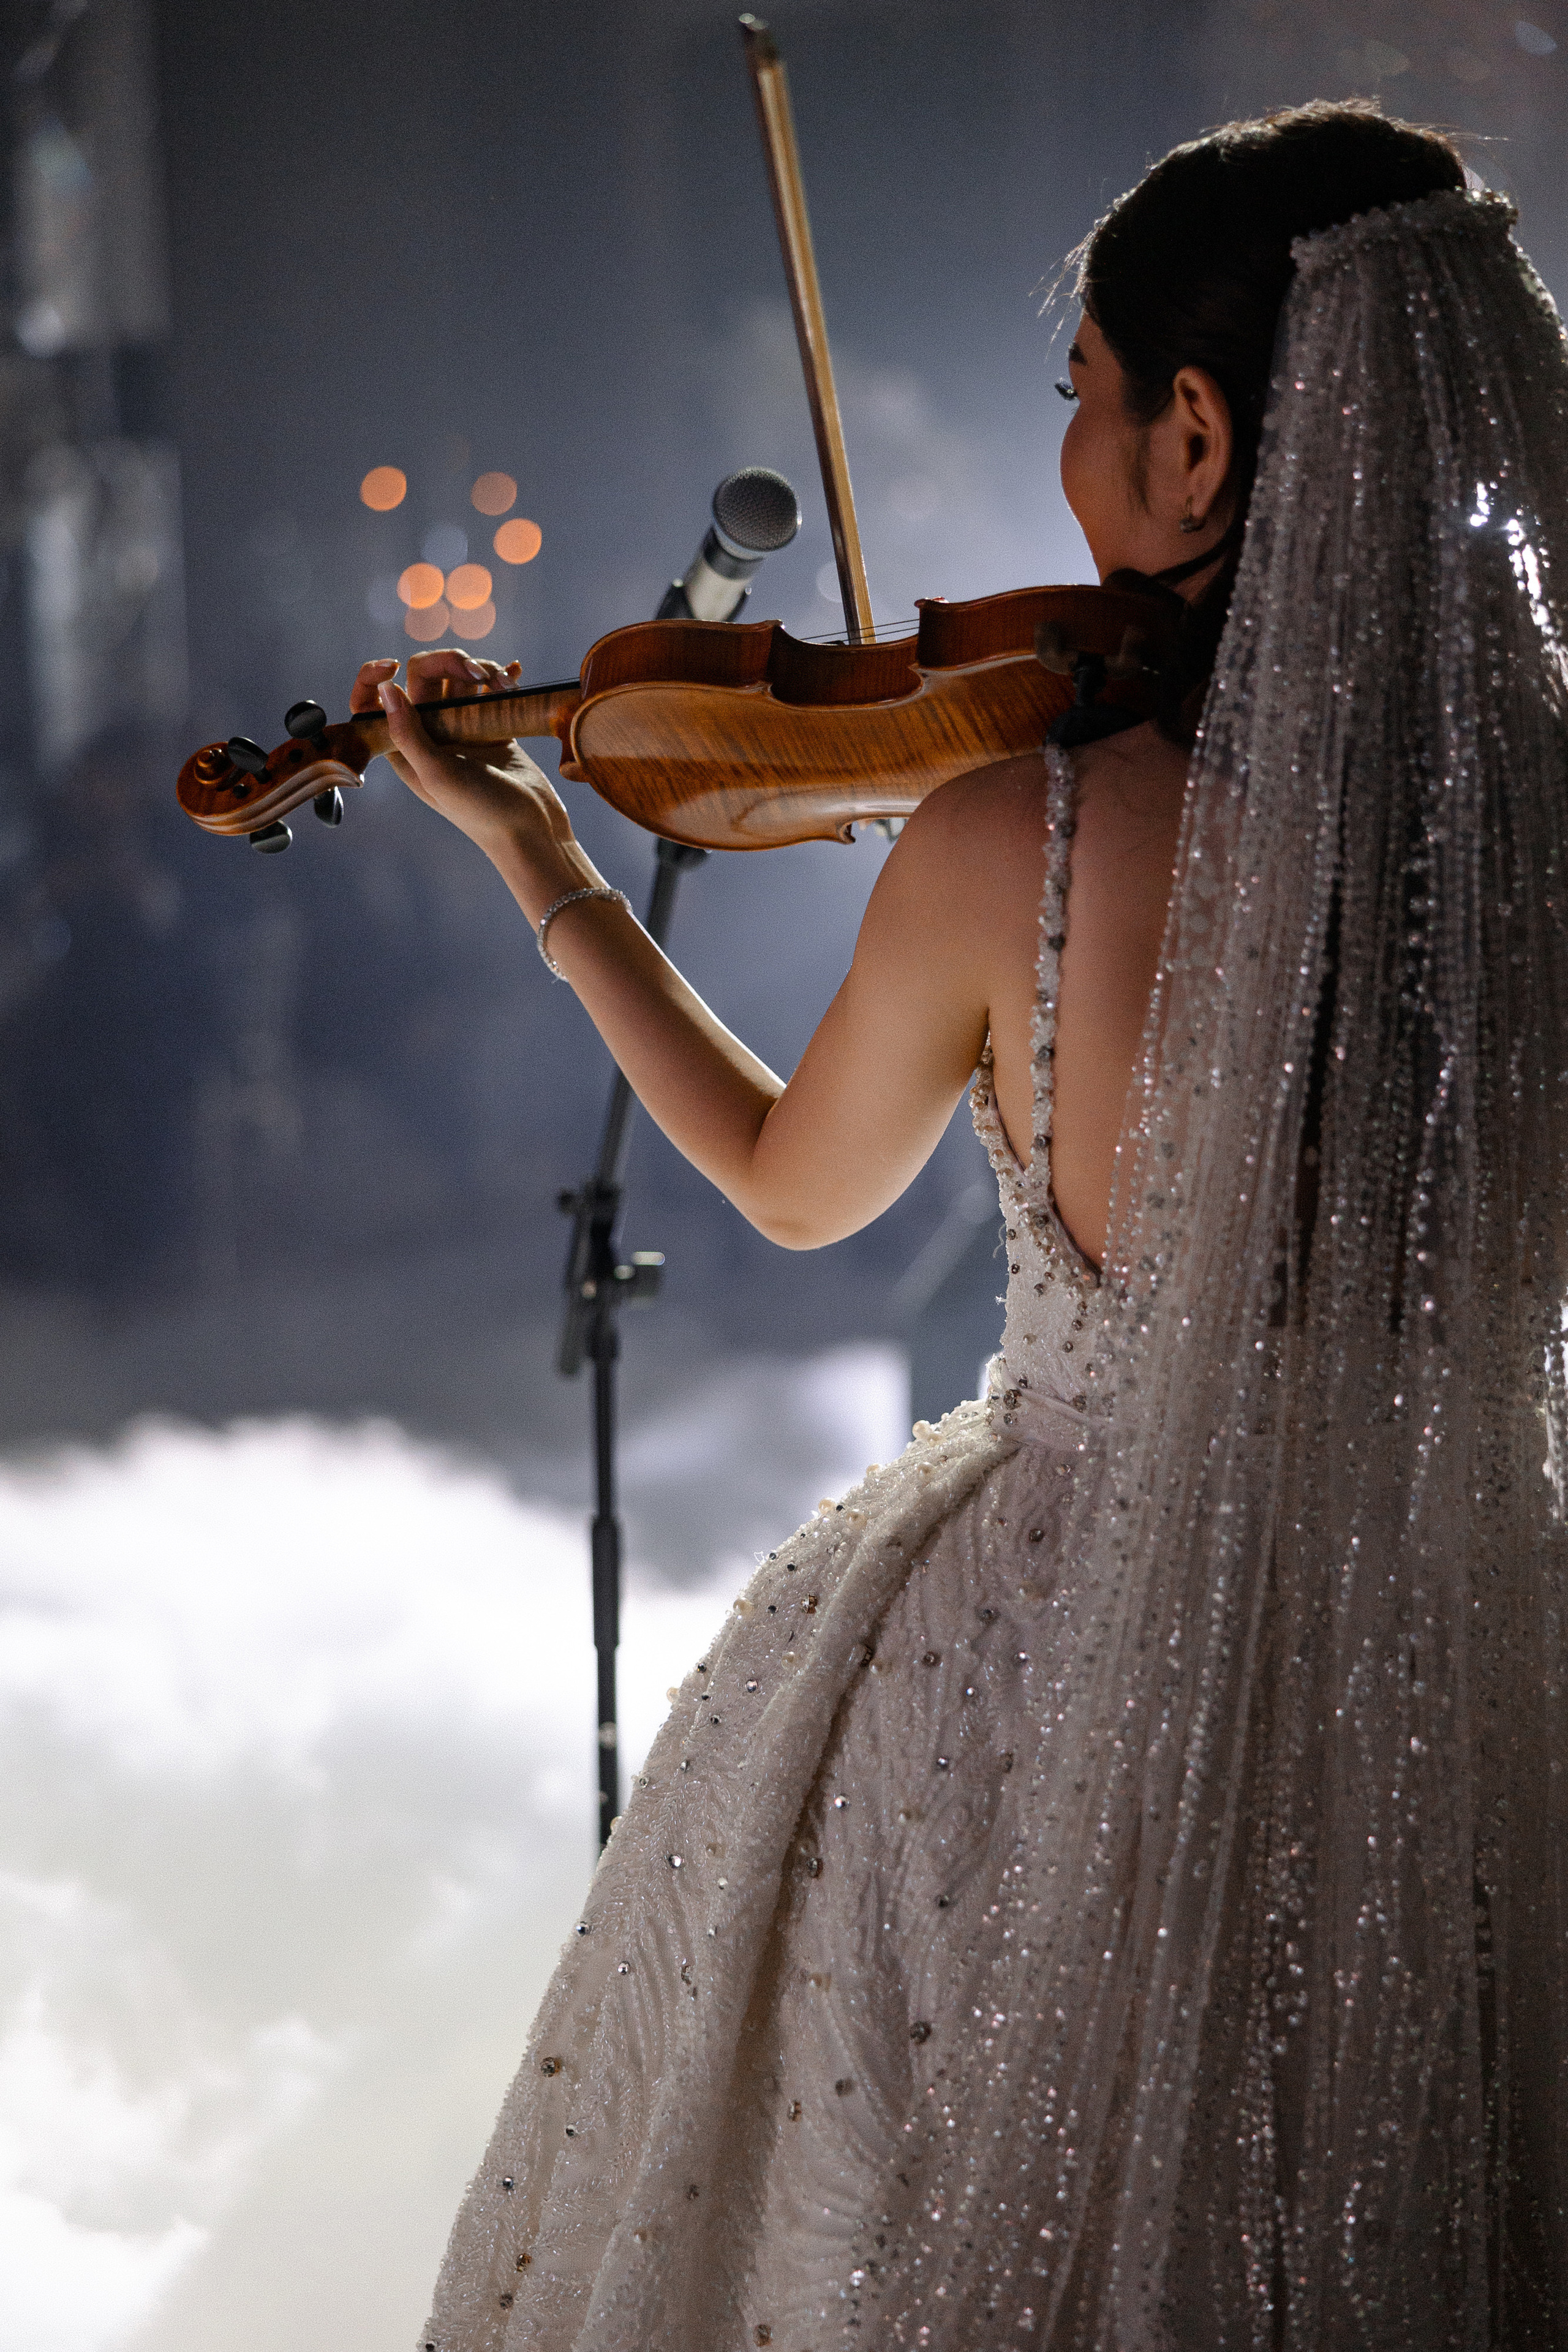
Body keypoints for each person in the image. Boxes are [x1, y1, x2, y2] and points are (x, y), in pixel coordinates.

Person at [385, 100, 1568, 2351]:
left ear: (1196, 445)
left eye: (1085, 403)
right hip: (1451, 1686)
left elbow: (792, 1188)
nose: (1073, 459)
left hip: (1047, 1695)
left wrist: (541, 859)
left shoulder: (1016, 833)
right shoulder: (1535, 855)